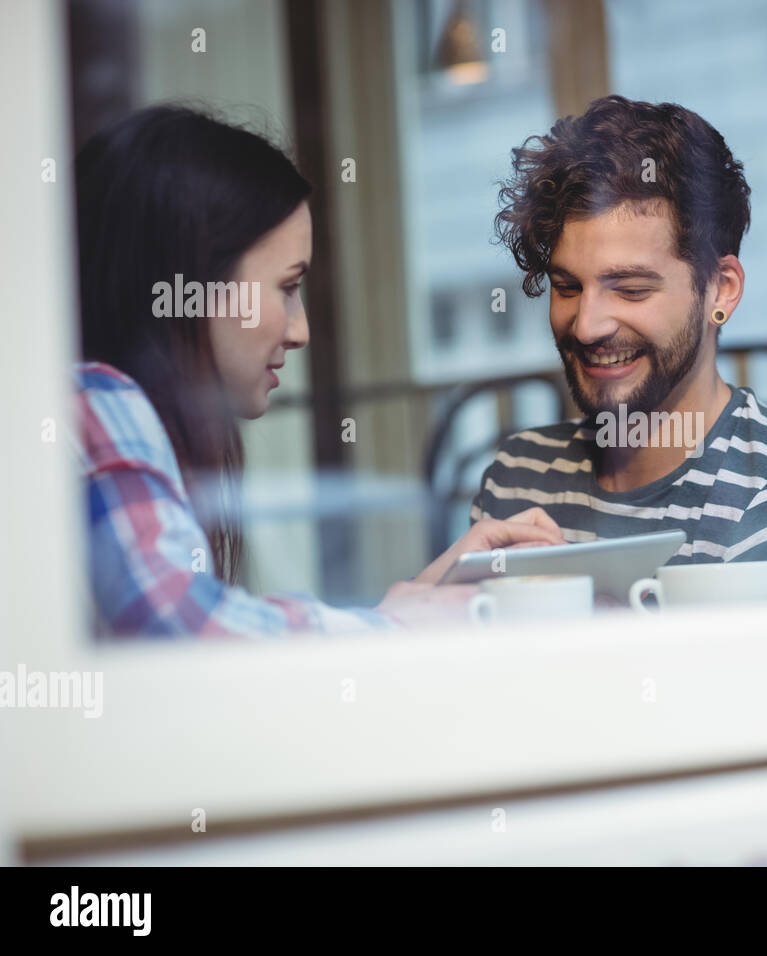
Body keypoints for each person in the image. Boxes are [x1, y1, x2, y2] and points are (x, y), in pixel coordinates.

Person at [73, 105, 563, 637]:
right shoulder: (98, 403)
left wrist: (420, 599)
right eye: (285, 288)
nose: (300, 329)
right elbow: (184, 630)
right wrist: (393, 625)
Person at [474, 96, 767, 601]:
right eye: (566, 287)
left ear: (720, 289)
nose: (586, 326)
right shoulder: (519, 478)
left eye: (630, 289)